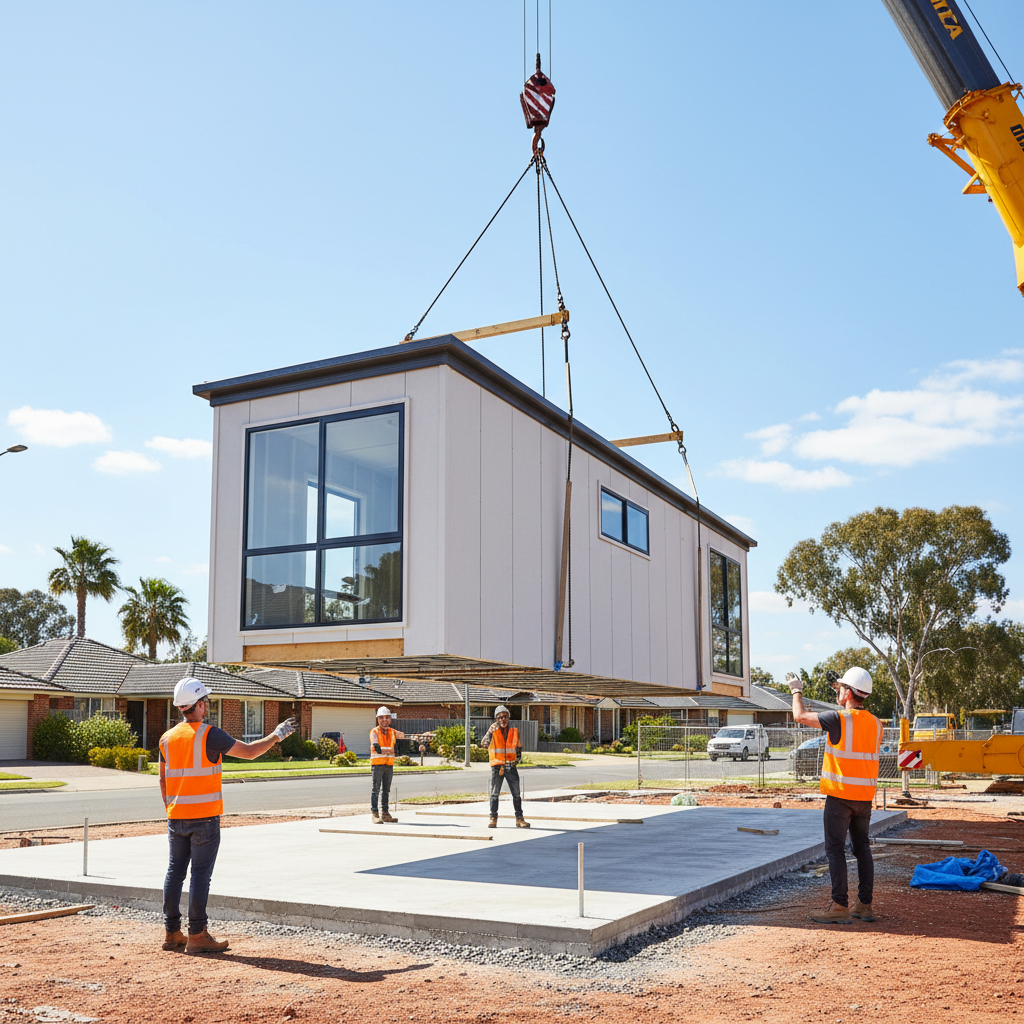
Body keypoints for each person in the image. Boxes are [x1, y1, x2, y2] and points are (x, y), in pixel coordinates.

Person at [159, 677, 296, 953]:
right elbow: (249, 752)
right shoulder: (210, 734)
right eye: (205, 701)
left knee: (175, 873)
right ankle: (197, 935)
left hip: (176, 816)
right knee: (199, 875)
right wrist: (277, 735)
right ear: (197, 704)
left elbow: (162, 780)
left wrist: (171, 809)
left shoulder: (167, 738)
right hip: (205, 818)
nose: (207, 705)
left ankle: (172, 932)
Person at [786, 667, 882, 924]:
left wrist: (797, 690)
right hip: (864, 799)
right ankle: (865, 905)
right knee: (862, 848)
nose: (838, 692)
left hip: (840, 797)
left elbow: (800, 715)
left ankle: (839, 905)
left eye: (842, 689)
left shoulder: (840, 719)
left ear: (849, 692)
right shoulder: (876, 723)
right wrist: (839, 687)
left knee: (835, 850)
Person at [480, 705, 530, 829]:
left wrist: (517, 760)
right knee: (494, 794)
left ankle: (519, 819)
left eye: (505, 716)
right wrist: (491, 732)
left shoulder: (514, 730)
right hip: (498, 767)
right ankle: (493, 818)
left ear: (508, 717)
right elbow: (484, 744)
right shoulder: (494, 729)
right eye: (500, 717)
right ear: (497, 719)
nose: (503, 719)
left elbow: (518, 747)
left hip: (511, 766)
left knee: (517, 794)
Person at [370, 706, 405, 824]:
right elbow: (376, 745)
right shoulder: (374, 731)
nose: (384, 720)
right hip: (377, 765)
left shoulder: (392, 732)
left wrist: (420, 736)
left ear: (390, 719)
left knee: (386, 790)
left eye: (387, 718)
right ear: (377, 719)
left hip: (389, 764)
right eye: (381, 718)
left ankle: (385, 813)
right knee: (376, 789)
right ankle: (375, 814)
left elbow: (404, 736)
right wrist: (381, 749)